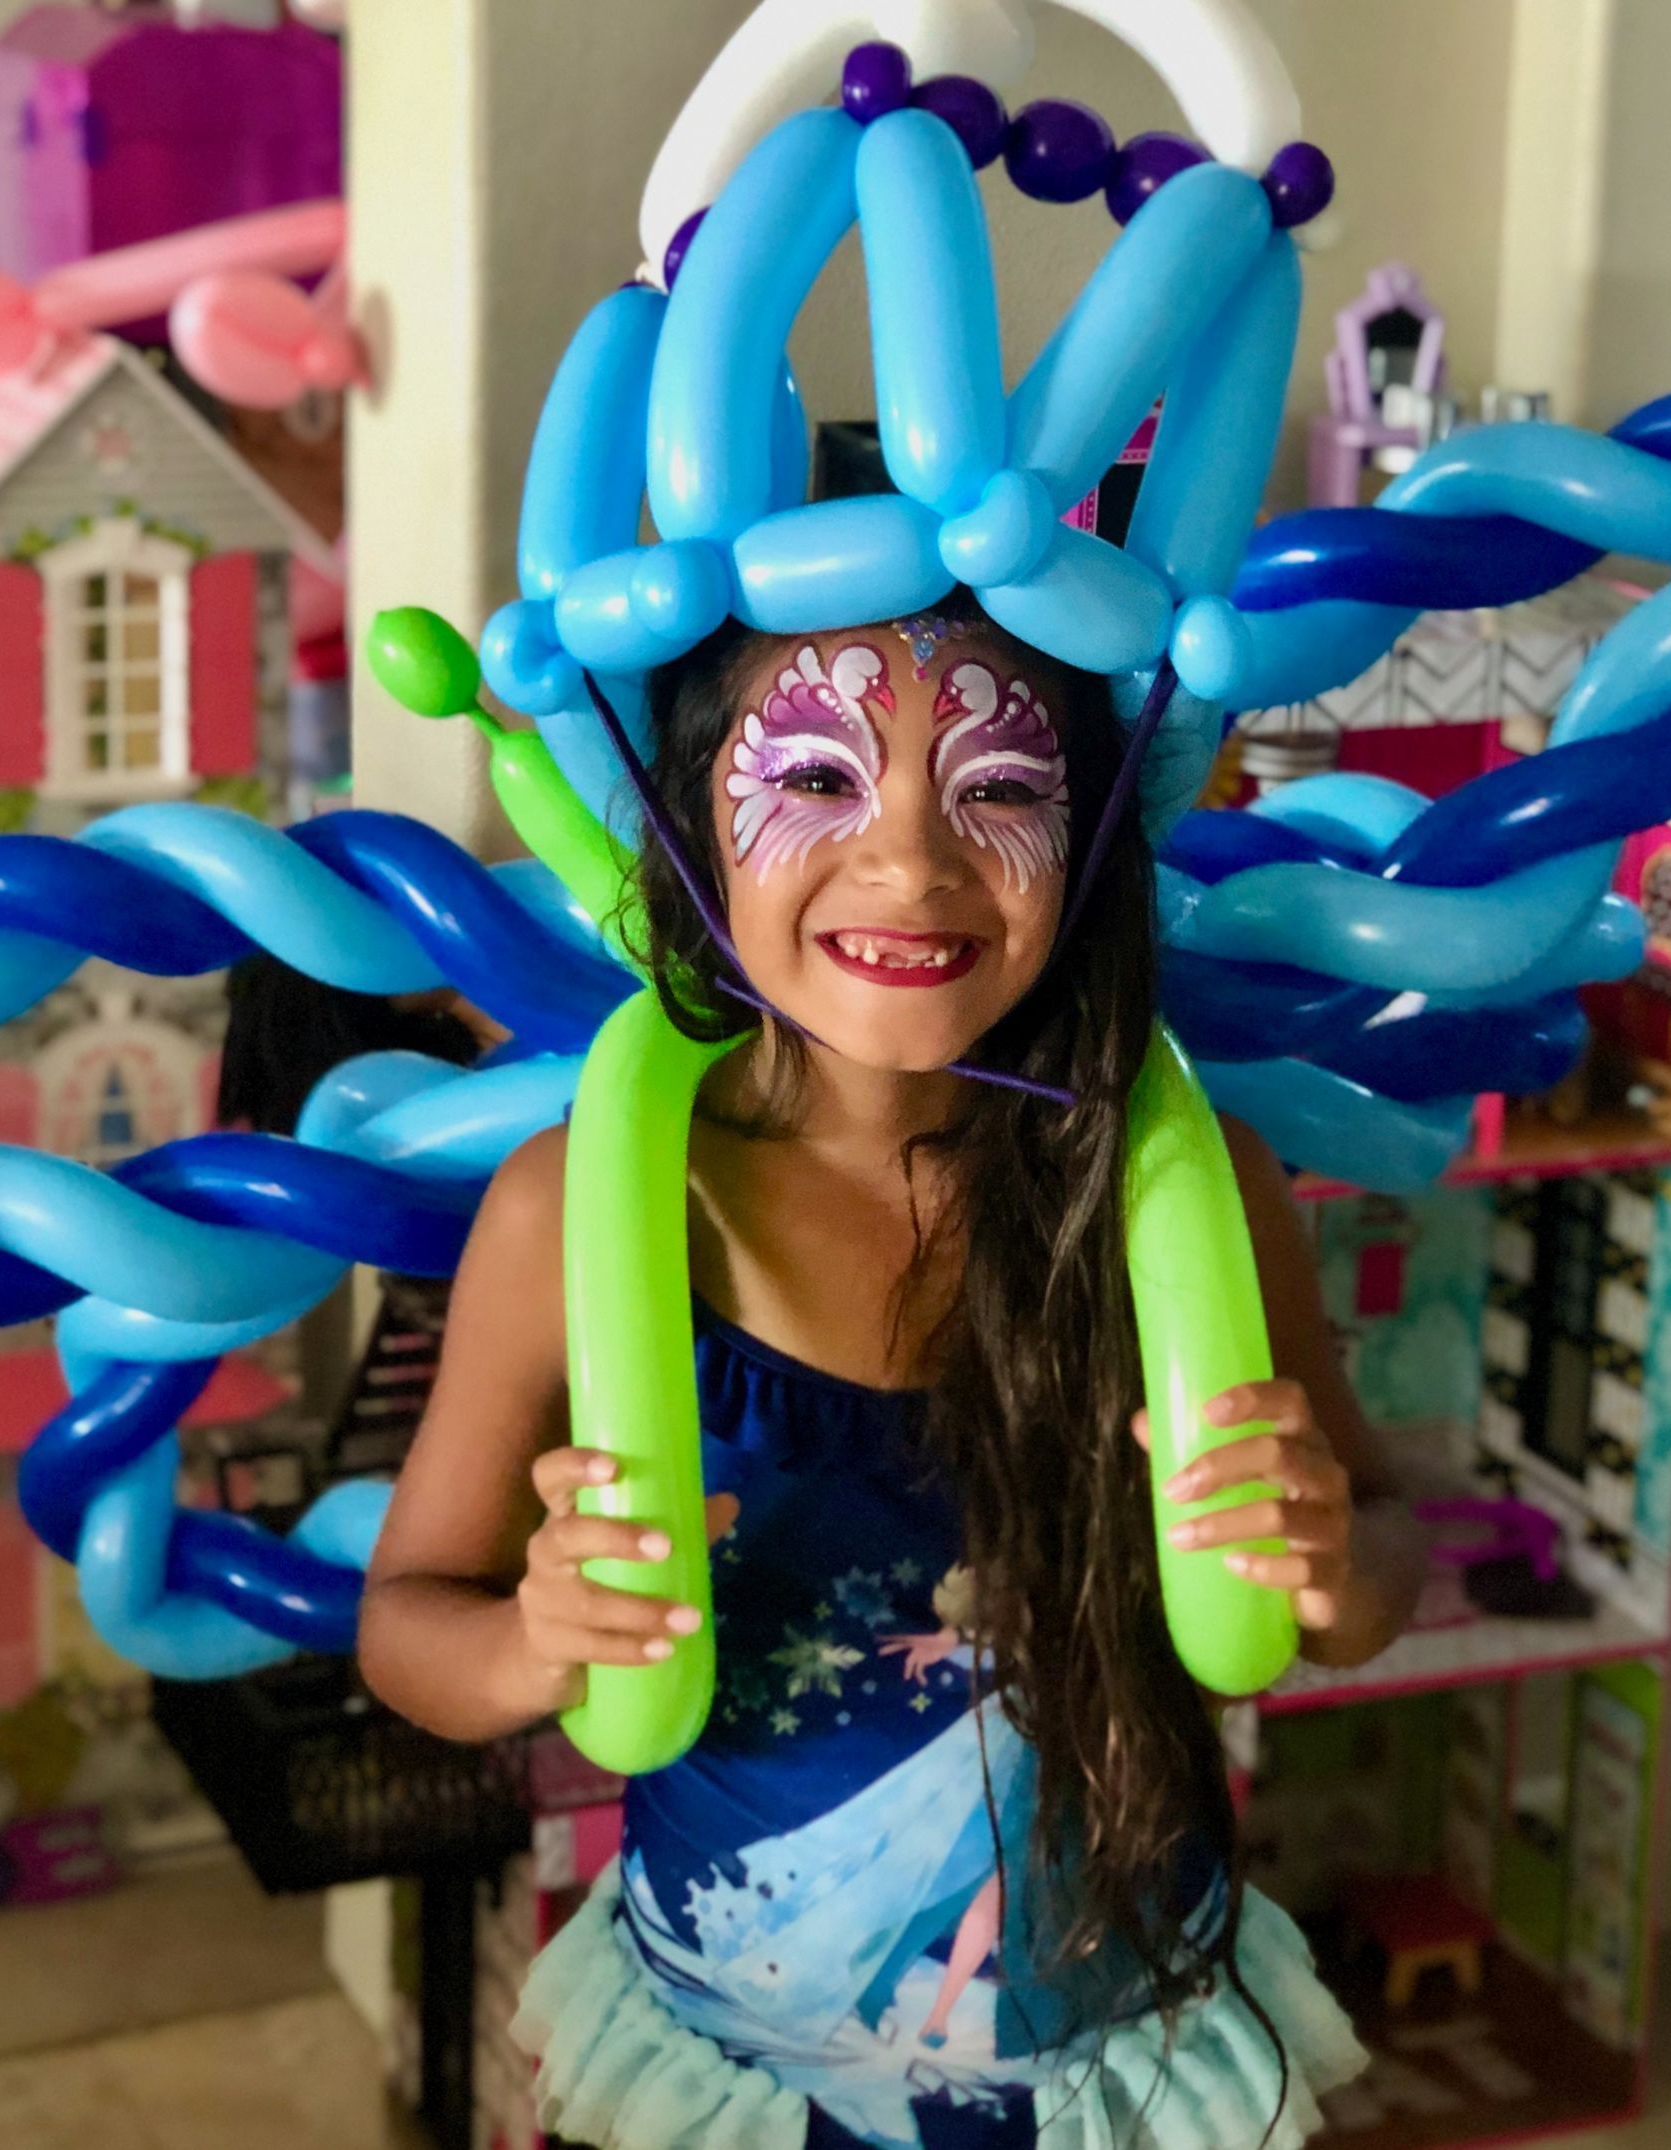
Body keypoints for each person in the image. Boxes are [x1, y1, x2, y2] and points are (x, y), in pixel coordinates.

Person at [358, 586, 1427, 2150]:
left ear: (1094, 831)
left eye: (999, 789)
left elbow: (1385, 1550)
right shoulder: (578, 1207)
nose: (912, 862)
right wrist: (531, 1641)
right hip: (737, 2071)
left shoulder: (1195, 1193)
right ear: (691, 822)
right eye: (812, 778)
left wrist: (1336, 1562)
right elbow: (402, 1622)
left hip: (1122, 2058)